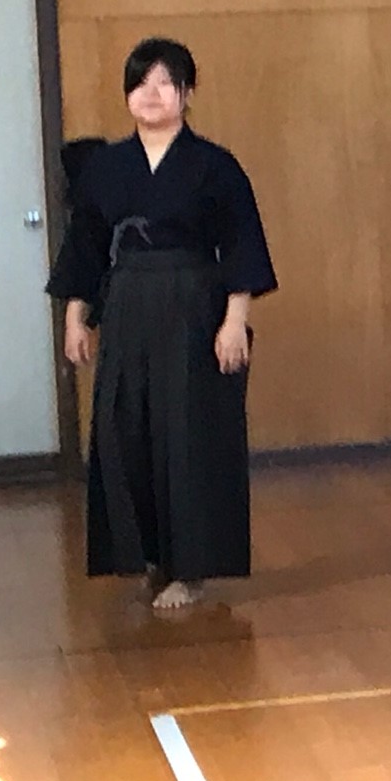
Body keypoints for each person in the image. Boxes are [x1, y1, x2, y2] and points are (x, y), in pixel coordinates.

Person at [46, 39, 277, 611]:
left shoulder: (215, 166)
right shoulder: (107, 167)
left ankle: (190, 569)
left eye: (165, 83)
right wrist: (76, 317)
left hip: (194, 302)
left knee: (189, 431)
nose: (151, 95)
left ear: (187, 94)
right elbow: (86, 246)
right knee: (122, 428)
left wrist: (235, 320)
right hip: (127, 303)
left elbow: (241, 244)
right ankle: (147, 554)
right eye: (140, 84)